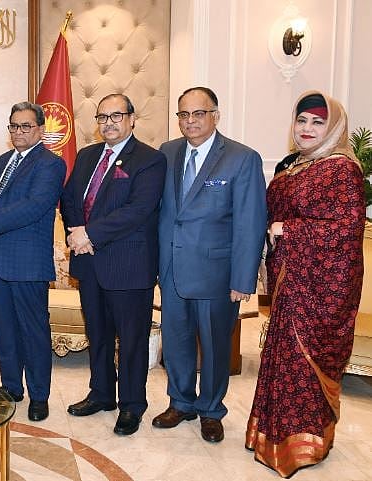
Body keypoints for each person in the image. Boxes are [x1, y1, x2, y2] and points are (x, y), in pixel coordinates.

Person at [245, 91, 365, 477]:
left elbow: (345, 228)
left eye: (317, 122)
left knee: (301, 365)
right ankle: (272, 435)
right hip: (289, 284)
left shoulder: (341, 168)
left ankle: (304, 445)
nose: (307, 129)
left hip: (319, 290)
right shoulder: (292, 165)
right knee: (280, 361)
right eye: (302, 121)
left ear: (332, 128)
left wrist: (288, 229)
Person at [154, 87, 266, 442]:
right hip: (172, 269)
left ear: (215, 115)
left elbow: (250, 223)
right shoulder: (167, 152)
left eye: (198, 114)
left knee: (216, 346)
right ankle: (181, 401)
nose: (190, 122)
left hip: (216, 274)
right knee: (176, 341)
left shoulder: (241, 158)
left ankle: (211, 410)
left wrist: (243, 278)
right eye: (183, 115)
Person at [60, 94, 166, 435]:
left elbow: (139, 209)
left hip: (128, 264)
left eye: (116, 116)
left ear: (132, 118)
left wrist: (89, 233)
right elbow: (71, 199)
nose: (108, 122)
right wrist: (78, 233)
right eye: (102, 116)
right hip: (89, 262)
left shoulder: (150, 159)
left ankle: (132, 405)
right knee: (99, 334)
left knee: (131, 339)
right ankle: (102, 393)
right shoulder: (88, 155)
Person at [0, 102, 66, 422]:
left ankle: (39, 395)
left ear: (40, 129)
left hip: (27, 262)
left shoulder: (50, 164)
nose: (19, 132)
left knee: (33, 331)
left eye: (26, 127)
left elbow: (32, 207)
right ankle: (11, 387)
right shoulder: (3, 160)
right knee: (4, 329)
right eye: (14, 127)